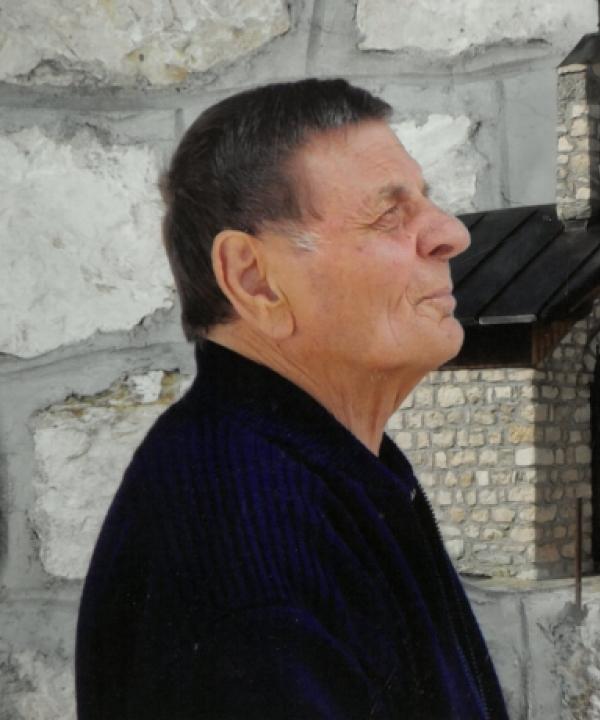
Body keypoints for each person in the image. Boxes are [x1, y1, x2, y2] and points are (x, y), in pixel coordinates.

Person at [75, 78, 508, 720]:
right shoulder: (248, 548)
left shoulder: (316, 469)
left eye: (427, 200)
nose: (451, 234)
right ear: (255, 280)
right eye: (389, 215)